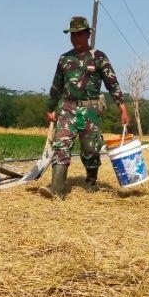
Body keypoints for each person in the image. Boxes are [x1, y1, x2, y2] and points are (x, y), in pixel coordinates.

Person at [39, 16, 131, 199]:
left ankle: (91, 182)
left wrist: (123, 109)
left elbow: (112, 84)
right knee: (61, 145)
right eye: (73, 35)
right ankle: (56, 189)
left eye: (80, 34)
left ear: (88, 35)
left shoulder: (99, 57)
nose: (76, 38)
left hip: (91, 110)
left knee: (91, 150)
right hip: (68, 108)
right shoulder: (64, 59)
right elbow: (56, 86)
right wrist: (50, 108)